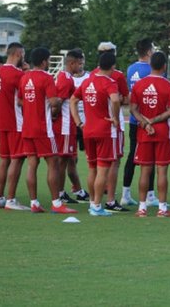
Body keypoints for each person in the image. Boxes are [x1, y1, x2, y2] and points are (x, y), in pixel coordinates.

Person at [19, 47, 77, 214]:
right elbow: (53, 102)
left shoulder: (24, 78)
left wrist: (33, 104)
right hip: (43, 129)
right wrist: (60, 100)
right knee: (54, 163)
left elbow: (20, 101)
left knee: (32, 165)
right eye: (49, 60)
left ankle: (34, 202)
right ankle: (57, 203)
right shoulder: (46, 78)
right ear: (44, 61)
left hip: (27, 127)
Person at [70, 51, 121, 217]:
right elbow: (115, 99)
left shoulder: (87, 81)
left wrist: (79, 122)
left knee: (92, 168)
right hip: (104, 130)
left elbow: (73, 100)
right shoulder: (109, 82)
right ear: (113, 66)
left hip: (88, 130)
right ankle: (97, 205)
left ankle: (93, 202)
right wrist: (114, 117)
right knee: (102, 170)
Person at [130, 51, 170, 217]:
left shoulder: (139, 85)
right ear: (164, 66)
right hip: (162, 132)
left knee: (145, 171)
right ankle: (162, 209)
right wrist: (155, 120)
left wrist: (145, 123)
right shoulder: (169, 86)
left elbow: (133, 109)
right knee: (162, 171)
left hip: (144, 133)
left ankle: (142, 208)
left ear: (150, 65)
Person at [91, 42, 130, 212]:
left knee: (94, 164)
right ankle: (110, 200)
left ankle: (94, 200)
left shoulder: (91, 75)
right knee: (114, 162)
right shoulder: (117, 75)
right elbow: (124, 99)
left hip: (92, 123)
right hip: (112, 124)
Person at [0, 42, 30, 210]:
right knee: (17, 159)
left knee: (4, 160)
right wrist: (28, 72)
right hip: (16, 122)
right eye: (23, 54)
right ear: (18, 53)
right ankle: (11, 199)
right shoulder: (17, 74)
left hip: (3, 121)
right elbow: (26, 97)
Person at [123, 38, 158, 207]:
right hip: (149, 120)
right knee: (150, 157)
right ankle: (150, 195)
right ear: (149, 52)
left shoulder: (131, 69)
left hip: (134, 119)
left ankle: (125, 192)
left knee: (132, 155)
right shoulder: (152, 70)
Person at [54, 49, 87, 204]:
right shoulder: (66, 79)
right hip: (65, 127)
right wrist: (54, 115)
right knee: (62, 161)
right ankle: (60, 193)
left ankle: (72, 191)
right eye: (79, 64)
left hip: (68, 126)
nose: (81, 67)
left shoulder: (66, 78)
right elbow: (58, 103)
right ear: (72, 63)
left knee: (69, 160)